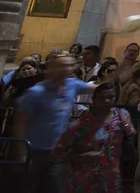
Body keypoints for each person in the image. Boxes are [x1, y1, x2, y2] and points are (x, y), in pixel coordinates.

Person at [12, 52, 96, 193]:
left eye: (70, 65)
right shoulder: (36, 93)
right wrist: (22, 152)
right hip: (35, 151)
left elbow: (99, 89)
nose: (67, 69)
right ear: (50, 68)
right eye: (62, 66)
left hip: (58, 150)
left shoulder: (72, 85)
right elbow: (20, 123)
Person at [54, 82, 136, 193]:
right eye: (102, 98)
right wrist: (80, 157)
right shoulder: (82, 124)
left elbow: (130, 134)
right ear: (94, 100)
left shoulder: (122, 115)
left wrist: (127, 128)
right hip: (85, 180)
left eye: (111, 97)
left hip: (111, 179)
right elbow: (57, 152)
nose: (107, 101)